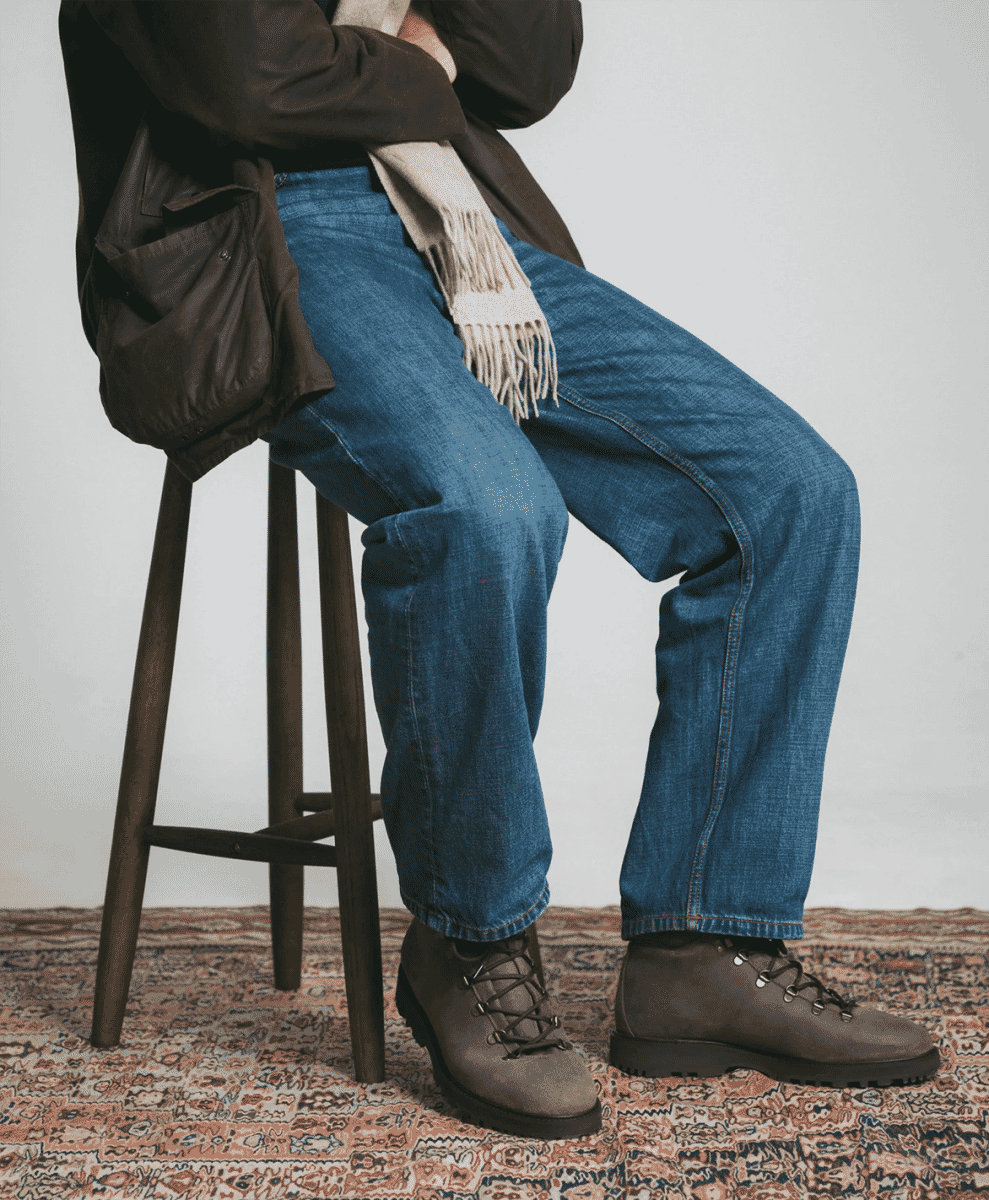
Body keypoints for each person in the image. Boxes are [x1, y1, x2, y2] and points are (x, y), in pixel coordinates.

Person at [60, 0, 939, 1141]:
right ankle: (468, 945)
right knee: (485, 506)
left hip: (453, 224)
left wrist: (384, 64)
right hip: (261, 226)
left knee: (787, 493)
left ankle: (704, 944)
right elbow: (245, 79)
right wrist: (421, 55)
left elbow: (527, 64)